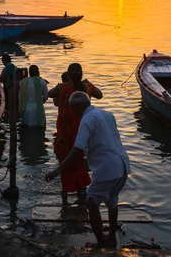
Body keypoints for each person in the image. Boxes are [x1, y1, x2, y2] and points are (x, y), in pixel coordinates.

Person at [46, 91, 130, 249]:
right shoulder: (107, 114)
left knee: (91, 202)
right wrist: (88, 161)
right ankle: (111, 238)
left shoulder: (86, 120)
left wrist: (57, 170)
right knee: (112, 201)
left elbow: (77, 149)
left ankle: (101, 243)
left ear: (76, 108)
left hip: (108, 169)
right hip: (123, 165)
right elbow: (105, 141)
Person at [48, 63, 103, 203]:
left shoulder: (62, 88)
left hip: (64, 135)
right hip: (82, 133)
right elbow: (100, 95)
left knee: (64, 161)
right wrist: (89, 84)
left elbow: (49, 94)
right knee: (78, 162)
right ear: (81, 74)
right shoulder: (87, 87)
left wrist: (63, 86)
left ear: (68, 74)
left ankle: (65, 196)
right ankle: (81, 192)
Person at [0, 54, 20, 118]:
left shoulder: (6, 68)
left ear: (4, 61)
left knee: (8, 107)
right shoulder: (15, 68)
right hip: (16, 90)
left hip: (8, 90)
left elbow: (1, 79)